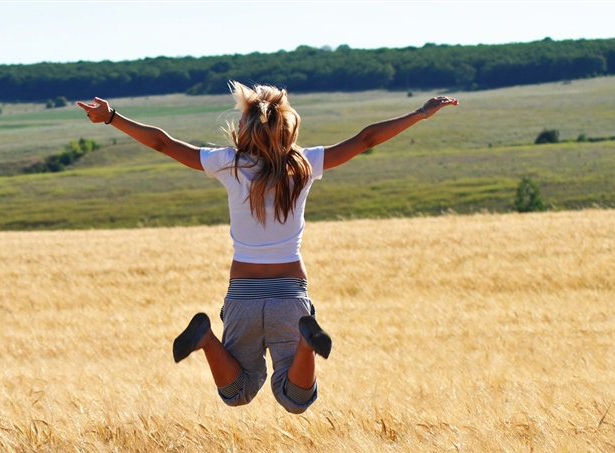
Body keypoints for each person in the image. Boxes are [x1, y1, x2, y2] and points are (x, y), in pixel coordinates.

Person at [77, 83, 457, 414]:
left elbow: (163, 143)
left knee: (238, 392)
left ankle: (206, 339)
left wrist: (113, 118)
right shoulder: (304, 164)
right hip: (290, 295)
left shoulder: (228, 164)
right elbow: (365, 139)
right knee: (296, 399)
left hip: (243, 294)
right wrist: (421, 113)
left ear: (246, 128)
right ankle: (306, 343)